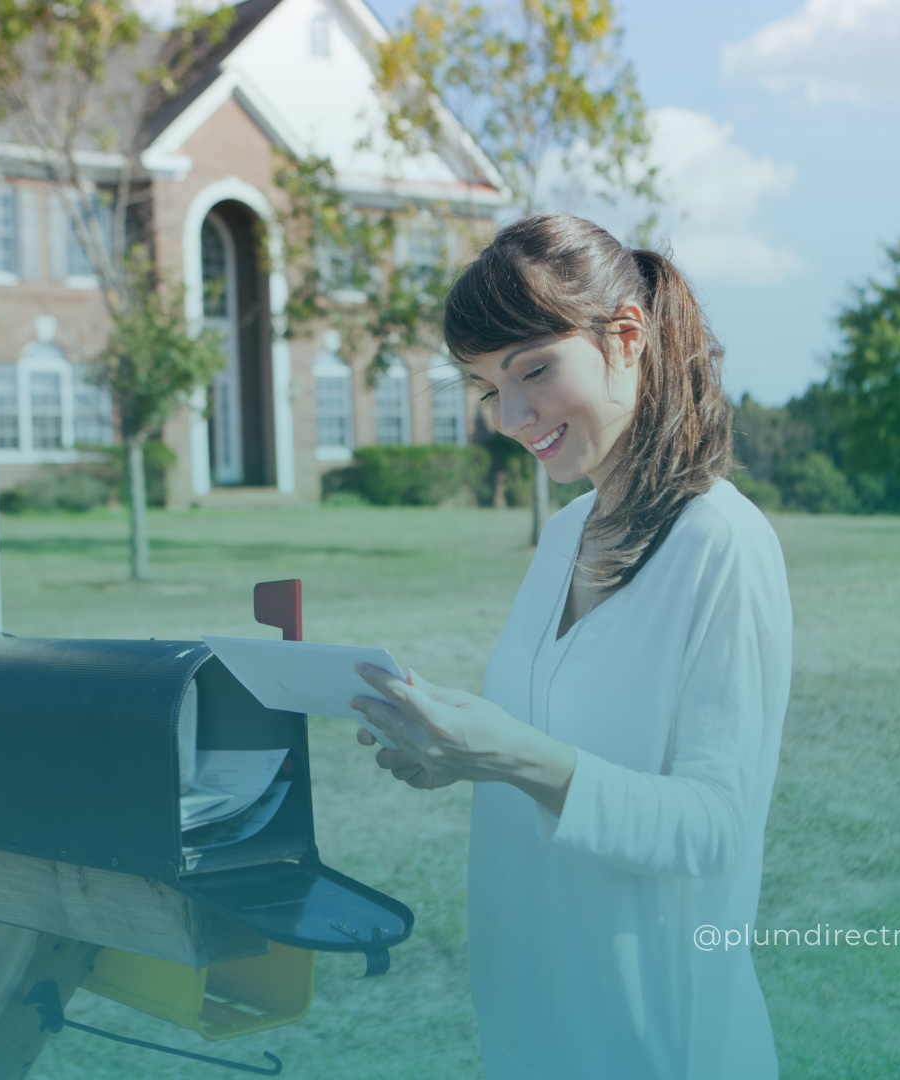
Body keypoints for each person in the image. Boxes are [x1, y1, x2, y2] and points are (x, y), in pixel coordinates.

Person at [349, 213, 792, 1079]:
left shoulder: (722, 546)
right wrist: (455, 755)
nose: (511, 417)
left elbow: (714, 829)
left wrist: (512, 755)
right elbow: (544, 746)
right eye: (484, 389)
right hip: (530, 1030)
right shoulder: (565, 535)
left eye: (534, 371)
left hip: (655, 1040)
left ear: (626, 338)